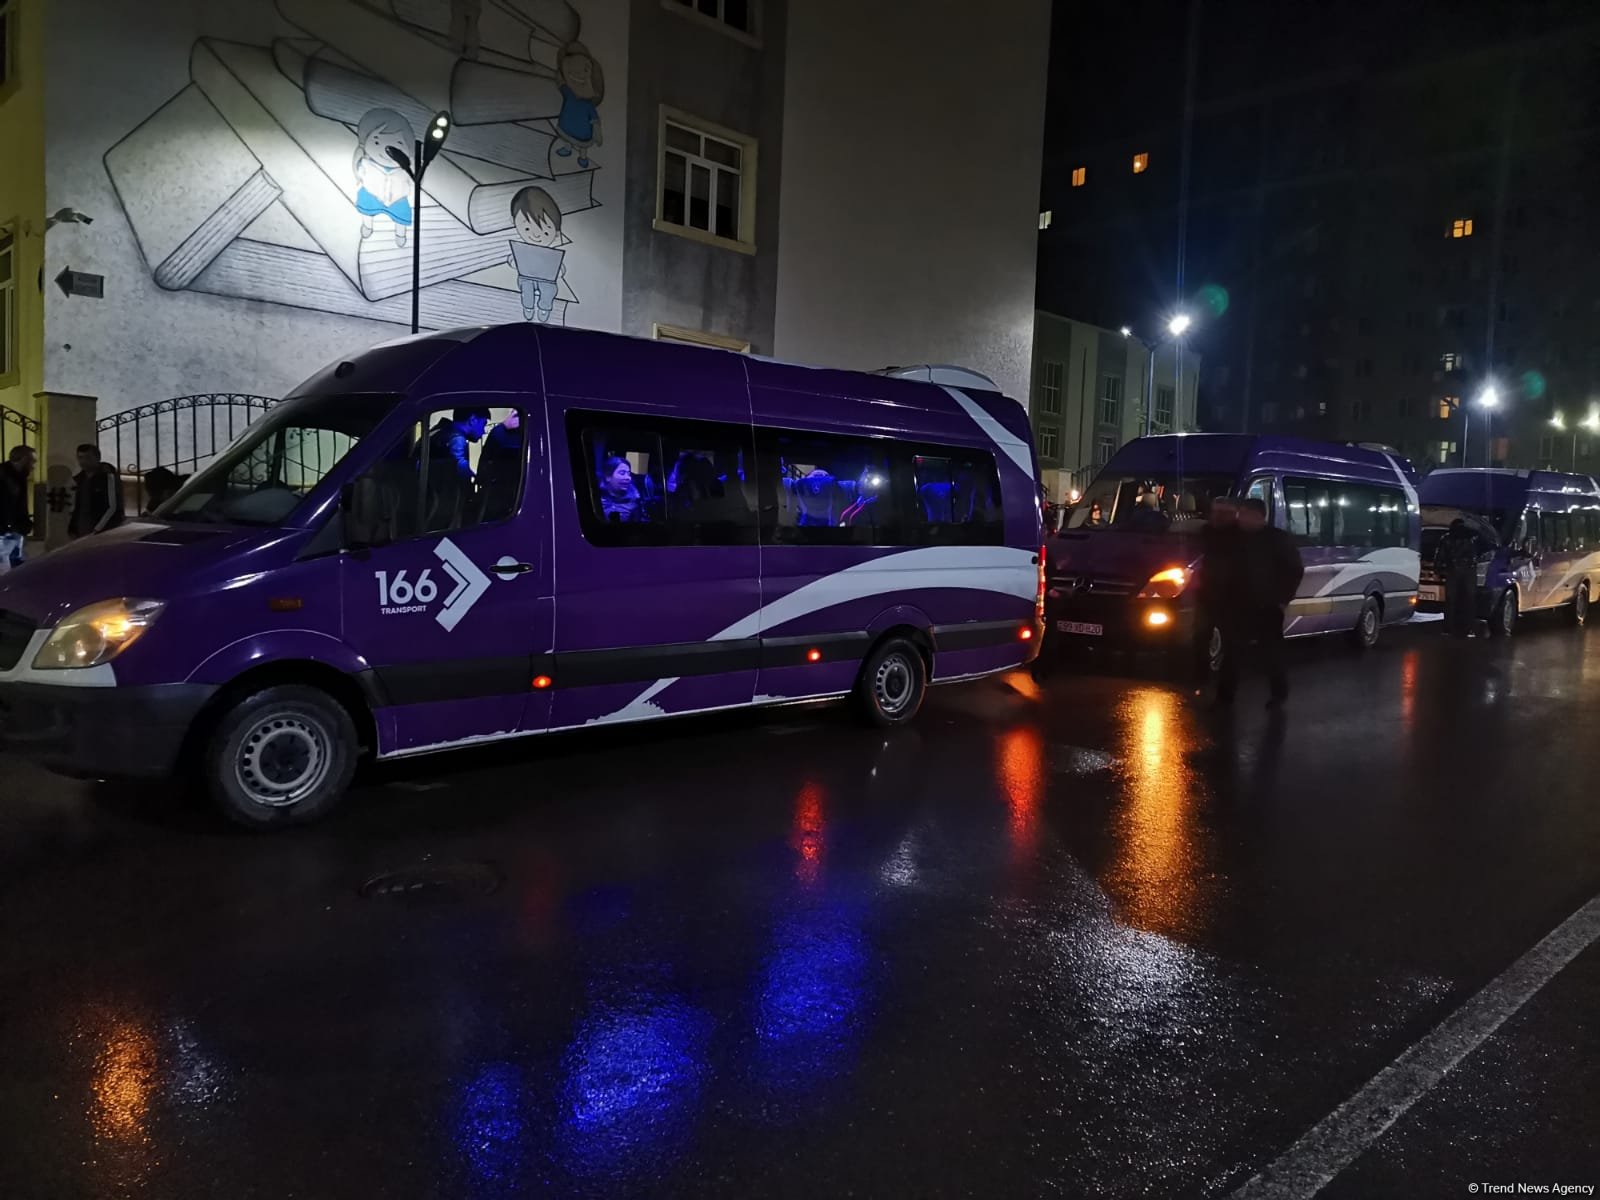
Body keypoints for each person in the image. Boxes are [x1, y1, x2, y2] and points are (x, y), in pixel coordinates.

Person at [1216, 497, 1303, 708]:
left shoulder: (1277, 539)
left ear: (1258, 516)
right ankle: (1225, 697)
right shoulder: (1233, 538)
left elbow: (1294, 571)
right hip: (1239, 606)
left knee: (1271, 653)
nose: (1241, 518)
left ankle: (1278, 695)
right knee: (1232, 652)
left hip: (1268, 607)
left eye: (1245, 513)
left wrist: (1282, 600)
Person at [1193, 496, 1241, 686]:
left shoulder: (1240, 536)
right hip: (1207, 594)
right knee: (1201, 636)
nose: (1219, 517)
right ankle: (1200, 677)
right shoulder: (1206, 531)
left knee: (1231, 642)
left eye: (1224, 513)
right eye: (1216, 512)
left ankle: (1226, 685)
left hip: (1232, 597)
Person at [69, 443, 125, 538]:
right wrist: (73, 527)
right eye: (80, 457)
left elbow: (113, 506)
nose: (83, 461)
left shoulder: (107, 477)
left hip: (103, 531)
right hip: (81, 531)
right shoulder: (79, 480)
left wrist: (98, 529)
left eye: (88, 457)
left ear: (97, 458)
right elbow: (77, 506)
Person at [1436, 517, 1479, 639]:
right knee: (1469, 601)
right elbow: (1475, 555)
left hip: (1453, 571)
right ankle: (1470, 628)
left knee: (1450, 601)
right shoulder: (1471, 537)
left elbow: (1440, 555)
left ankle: (1448, 628)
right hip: (1469, 572)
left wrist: (1438, 569)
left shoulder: (1446, 538)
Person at [429, 407, 491, 482]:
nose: (483, 431)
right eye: (483, 424)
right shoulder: (457, 439)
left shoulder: (440, 430)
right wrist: (477, 478)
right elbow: (460, 465)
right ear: (473, 420)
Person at [1, 445, 36, 574]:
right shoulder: (5, 476)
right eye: (32, 461)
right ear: (23, 459)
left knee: (16, 567)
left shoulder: (19, 476)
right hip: (5, 532)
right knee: (5, 569)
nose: (33, 466)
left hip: (15, 529)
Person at [598, 455, 645, 522]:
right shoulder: (595, 498)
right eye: (622, 473)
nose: (628, 478)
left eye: (628, 474)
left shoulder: (635, 502)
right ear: (608, 476)